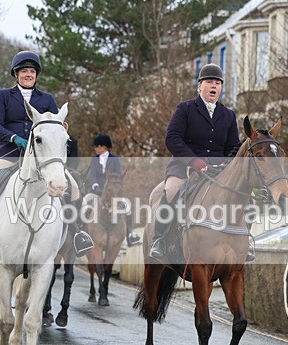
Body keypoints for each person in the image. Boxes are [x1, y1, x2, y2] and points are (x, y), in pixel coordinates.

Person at [0, 50, 93, 256]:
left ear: (36, 75)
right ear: (16, 74)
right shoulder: (4, 96)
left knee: (75, 188)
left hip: (41, 159)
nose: (28, 74)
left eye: (32, 71)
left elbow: (56, 125)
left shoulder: (47, 99)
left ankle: (78, 233)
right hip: (10, 154)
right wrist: (14, 138)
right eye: (24, 71)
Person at [148, 63, 240, 259]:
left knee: (239, 194)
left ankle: (242, 242)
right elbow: (172, 138)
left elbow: (233, 147)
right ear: (199, 86)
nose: (213, 86)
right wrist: (193, 161)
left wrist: (226, 164)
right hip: (184, 167)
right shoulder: (185, 108)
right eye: (209, 82)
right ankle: (159, 239)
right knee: (171, 190)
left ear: (221, 88)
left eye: (217, 83)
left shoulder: (229, 115)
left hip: (217, 171)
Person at [88, 133, 141, 247]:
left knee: (127, 206)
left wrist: (113, 189)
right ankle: (82, 234)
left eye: (97, 146)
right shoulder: (94, 159)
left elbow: (118, 175)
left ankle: (130, 234)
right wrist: (96, 186)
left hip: (113, 192)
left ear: (104, 147)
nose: (95, 148)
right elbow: (91, 175)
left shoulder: (115, 159)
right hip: (96, 191)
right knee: (84, 203)